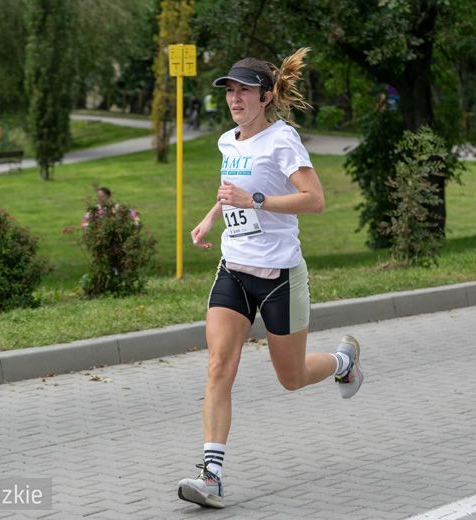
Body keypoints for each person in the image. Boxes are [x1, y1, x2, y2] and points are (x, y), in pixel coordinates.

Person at [177, 47, 364, 509]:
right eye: (229, 91)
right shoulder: (228, 141)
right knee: (219, 367)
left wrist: (256, 200)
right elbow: (233, 190)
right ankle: (211, 476)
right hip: (234, 270)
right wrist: (210, 218)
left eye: (243, 91)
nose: (234, 99)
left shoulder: (283, 140)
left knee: (292, 377)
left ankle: (343, 362)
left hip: (280, 274)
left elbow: (314, 200)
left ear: (265, 96)